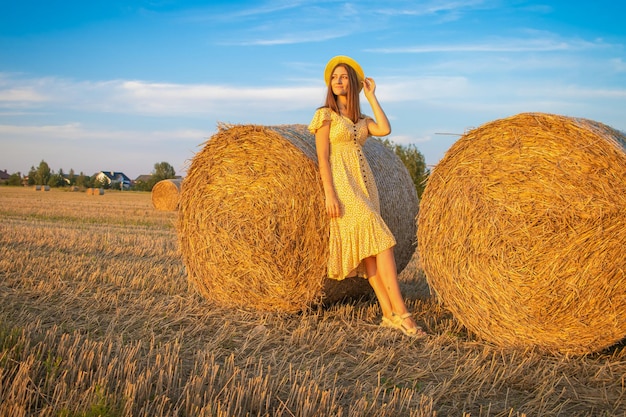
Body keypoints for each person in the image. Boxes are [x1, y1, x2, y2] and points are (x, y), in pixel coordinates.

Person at [308, 56, 426, 338]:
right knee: (383, 242)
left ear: (353, 82)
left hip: (364, 185)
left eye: (343, 76)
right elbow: (323, 158)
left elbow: (385, 129)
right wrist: (329, 195)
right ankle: (404, 314)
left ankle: (388, 315)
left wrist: (372, 96)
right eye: (334, 77)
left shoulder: (361, 120)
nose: (338, 81)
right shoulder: (325, 115)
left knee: (372, 256)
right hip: (342, 186)